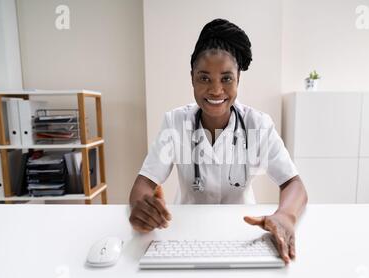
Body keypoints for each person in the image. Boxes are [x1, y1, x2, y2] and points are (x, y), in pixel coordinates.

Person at [129, 18, 307, 265]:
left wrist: (286, 215)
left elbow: (294, 184)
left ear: (238, 80)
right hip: (186, 234)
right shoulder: (175, 123)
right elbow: (143, 184)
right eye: (204, 78)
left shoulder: (258, 125)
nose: (215, 90)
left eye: (226, 78)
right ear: (192, 78)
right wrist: (141, 208)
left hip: (244, 234)